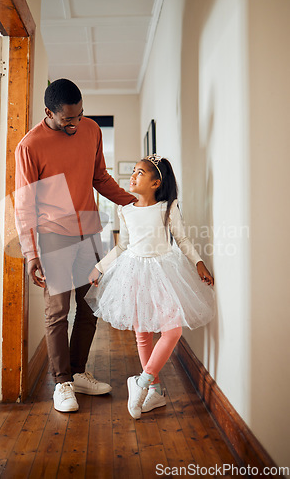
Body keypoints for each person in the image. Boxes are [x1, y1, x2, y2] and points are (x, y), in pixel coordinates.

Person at [14, 79, 136, 413]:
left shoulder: (91, 129)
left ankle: (79, 372)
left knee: (91, 305)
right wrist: (31, 253)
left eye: (80, 115)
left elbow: (100, 177)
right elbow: (24, 207)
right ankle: (62, 382)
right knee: (57, 311)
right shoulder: (29, 146)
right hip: (54, 236)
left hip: (89, 232)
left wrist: (133, 202)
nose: (76, 123)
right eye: (69, 119)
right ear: (48, 113)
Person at [85, 154, 215, 419]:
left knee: (172, 330)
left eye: (140, 173)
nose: (132, 176)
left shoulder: (167, 207)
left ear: (156, 183)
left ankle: (142, 382)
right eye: (133, 171)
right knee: (142, 332)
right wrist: (101, 267)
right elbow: (123, 245)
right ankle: (154, 392)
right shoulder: (126, 209)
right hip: (134, 271)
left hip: (164, 271)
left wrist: (199, 262)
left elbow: (182, 238)